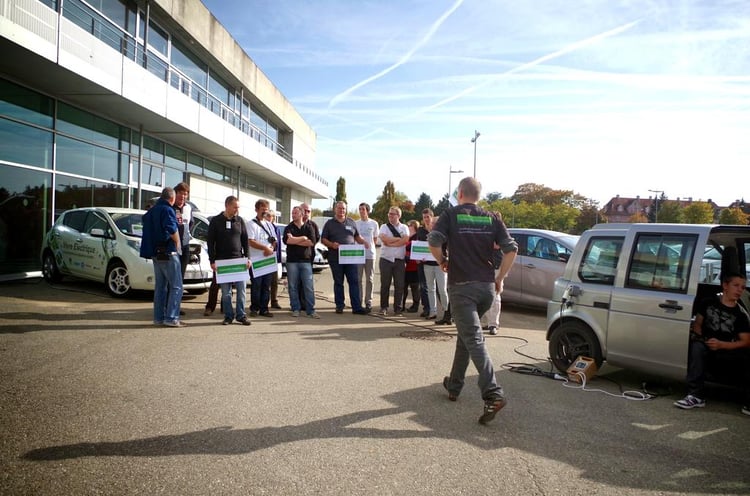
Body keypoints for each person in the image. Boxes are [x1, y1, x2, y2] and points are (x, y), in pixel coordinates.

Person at [428, 177, 518, 424]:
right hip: (486, 289)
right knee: (466, 336)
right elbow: (511, 249)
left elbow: (433, 241)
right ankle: (454, 385)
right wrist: (500, 278)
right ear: (478, 196)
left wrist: (442, 260)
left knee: (474, 339)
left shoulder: (451, 214)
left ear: (460, 193)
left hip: (462, 288)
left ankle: (493, 392)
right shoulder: (492, 217)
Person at [674, 273, 750, 415]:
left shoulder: (740, 315)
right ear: (725, 285)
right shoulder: (708, 302)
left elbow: (746, 341)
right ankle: (695, 396)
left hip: (727, 348)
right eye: (736, 285)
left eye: (743, 287)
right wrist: (704, 339)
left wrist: (722, 345)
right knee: (697, 347)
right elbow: (697, 324)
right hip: (706, 344)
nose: (740, 290)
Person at [140, 187, 184, 327]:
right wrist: (177, 243)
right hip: (168, 252)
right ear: (172, 198)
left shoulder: (151, 211)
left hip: (155, 253)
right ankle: (171, 318)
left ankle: (159, 317)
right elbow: (171, 229)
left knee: (160, 286)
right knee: (176, 286)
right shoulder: (167, 210)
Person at [206, 196, 251, 326]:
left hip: (238, 261)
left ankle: (241, 315)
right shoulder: (216, 221)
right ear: (227, 206)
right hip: (223, 262)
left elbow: (245, 241)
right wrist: (212, 260)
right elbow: (210, 242)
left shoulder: (240, 221)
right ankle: (228, 316)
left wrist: (247, 258)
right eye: (235, 207)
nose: (237, 209)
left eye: (238, 207)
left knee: (241, 291)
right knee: (226, 293)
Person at [321, 201, 371, 315]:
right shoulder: (329, 223)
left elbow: (357, 236)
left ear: (346, 210)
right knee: (338, 282)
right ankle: (339, 306)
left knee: (354, 281)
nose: (341, 210)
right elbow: (323, 239)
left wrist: (363, 242)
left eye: (343, 209)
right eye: (339, 208)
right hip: (335, 257)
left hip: (350, 258)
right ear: (335, 209)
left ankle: (357, 307)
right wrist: (332, 244)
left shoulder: (352, 222)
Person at [284, 206, 320, 318]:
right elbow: (288, 241)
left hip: (306, 261)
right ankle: (295, 309)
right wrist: (303, 238)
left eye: (295, 213)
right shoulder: (289, 227)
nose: (293, 215)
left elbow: (311, 242)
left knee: (308, 286)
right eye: (292, 213)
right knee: (293, 286)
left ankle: (311, 310)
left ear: (301, 214)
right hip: (292, 262)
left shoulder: (309, 226)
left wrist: (295, 240)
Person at [247, 199, 277, 317]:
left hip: (268, 260)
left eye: (266, 210)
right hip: (256, 260)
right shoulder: (251, 224)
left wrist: (271, 248)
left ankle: (264, 308)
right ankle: (254, 308)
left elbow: (274, 240)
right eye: (262, 210)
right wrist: (265, 248)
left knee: (266, 286)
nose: (265, 212)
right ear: (256, 210)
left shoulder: (269, 225)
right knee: (257, 285)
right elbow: (251, 241)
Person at [378, 206, 409, 316]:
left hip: (399, 261)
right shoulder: (383, 227)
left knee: (399, 285)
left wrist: (392, 243)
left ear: (398, 216)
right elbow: (384, 239)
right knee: (385, 284)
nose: (390, 216)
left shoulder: (404, 227)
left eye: (393, 214)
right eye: (389, 214)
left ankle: (398, 309)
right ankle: (384, 307)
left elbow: (405, 240)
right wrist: (397, 239)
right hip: (386, 259)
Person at [356, 202, 379, 311]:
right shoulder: (355, 223)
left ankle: (368, 301)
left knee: (369, 279)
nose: (361, 211)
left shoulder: (374, 224)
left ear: (367, 211)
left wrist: (369, 246)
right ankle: (358, 301)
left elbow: (374, 239)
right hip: (358, 255)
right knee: (358, 279)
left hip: (370, 255)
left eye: (363, 209)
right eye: (360, 209)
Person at [415, 209, 434, 318]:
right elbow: (417, 244)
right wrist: (417, 257)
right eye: (424, 217)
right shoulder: (420, 230)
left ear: (432, 217)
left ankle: (445, 310)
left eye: (428, 217)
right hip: (422, 262)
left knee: (438, 288)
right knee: (423, 286)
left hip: (435, 263)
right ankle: (427, 308)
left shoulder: (437, 229)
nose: (426, 219)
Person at [265, 210, 284, 310]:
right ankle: (262, 302)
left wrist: (278, 259)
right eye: (267, 215)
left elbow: (279, 244)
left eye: (270, 216)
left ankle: (274, 301)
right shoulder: (261, 227)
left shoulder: (276, 229)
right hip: (262, 258)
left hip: (273, 258)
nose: (268, 217)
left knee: (274, 281)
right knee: (264, 282)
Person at [402, 220, 421, 313]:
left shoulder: (417, 237)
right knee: (403, 286)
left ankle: (415, 305)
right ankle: (401, 305)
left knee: (415, 287)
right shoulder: (406, 237)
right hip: (404, 265)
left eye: (409, 225)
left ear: (414, 226)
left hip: (413, 265)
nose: (408, 226)